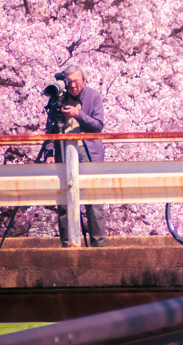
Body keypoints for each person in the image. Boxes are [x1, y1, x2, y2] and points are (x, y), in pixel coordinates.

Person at [55, 64, 107, 247]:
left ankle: (98, 247)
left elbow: (98, 126)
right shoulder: (58, 97)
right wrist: (47, 153)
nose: (73, 85)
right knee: (63, 200)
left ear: (84, 81)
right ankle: (68, 244)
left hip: (88, 151)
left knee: (93, 199)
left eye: (77, 81)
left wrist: (78, 114)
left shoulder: (93, 96)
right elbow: (50, 129)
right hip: (62, 150)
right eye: (69, 81)